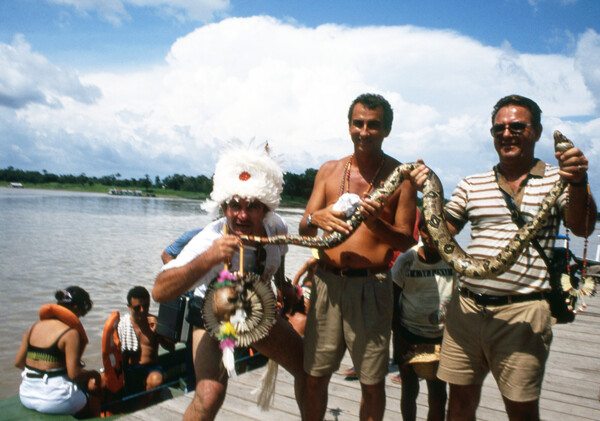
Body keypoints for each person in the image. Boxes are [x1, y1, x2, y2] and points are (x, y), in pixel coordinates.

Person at [411, 94, 596, 420]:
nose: (506, 134)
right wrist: (426, 189)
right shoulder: (471, 184)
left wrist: (578, 181)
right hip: (465, 309)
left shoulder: (559, 179)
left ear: (536, 131)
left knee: (521, 409)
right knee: (459, 405)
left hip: (523, 313)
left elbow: (581, 227)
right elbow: (439, 232)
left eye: (517, 127)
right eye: (499, 129)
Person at [152, 141, 305, 421]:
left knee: (308, 370)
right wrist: (209, 258)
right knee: (209, 396)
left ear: (266, 209)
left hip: (256, 307)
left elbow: (279, 254)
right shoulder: (208, 240)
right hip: (211, 313)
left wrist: (283, 286)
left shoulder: (277, 227)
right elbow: (160, 292)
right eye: (234, 206)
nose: (242, 215)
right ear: (223, 207)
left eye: (252, 206)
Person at [299, 93, 418, 421]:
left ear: (387, 130)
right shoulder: (328, 170)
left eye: (374, 125)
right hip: (325, 283)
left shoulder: (401, 178)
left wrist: (374, 222)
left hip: (372, 285)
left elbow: (406, 240)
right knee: (314, 377)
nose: (364, 131)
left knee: (371, 383)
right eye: (358, 123)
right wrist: (315, 218)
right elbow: (304, 229)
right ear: (349, 126)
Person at [391, 212, 453, 421]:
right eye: (425, 229)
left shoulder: (452, 260)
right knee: (409, 390)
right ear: (419, 231)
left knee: (438, 393)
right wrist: (398, 338)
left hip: (440, 337)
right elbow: (393, 300)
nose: (431, 235)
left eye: (437, 229)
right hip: (408, 334)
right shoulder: (407, 259)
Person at [14, 286, 101, 416]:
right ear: (76, 308)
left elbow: (19, 363)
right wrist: (95, 375)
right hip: (55, 401)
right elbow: (75, 375)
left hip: (26, 395)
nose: (82, 316)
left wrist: (44, 371)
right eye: (83, 311)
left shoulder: (33, 327)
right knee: (94, 402)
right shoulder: (70, 333)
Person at [118, 286, 174, 402]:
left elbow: (171, 348)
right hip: (130, 370)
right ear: (129, 307)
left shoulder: (155, 322)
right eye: (137, 308)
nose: (143, 310)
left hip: (151, 368)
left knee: (156, 380)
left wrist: (158, 332)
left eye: (146, 306)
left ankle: (142, 406)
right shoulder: (122, 325)